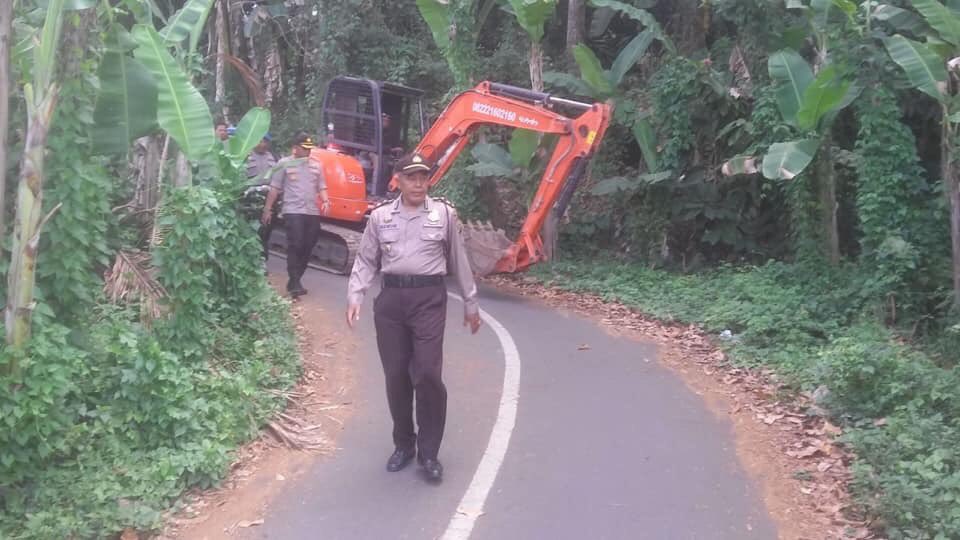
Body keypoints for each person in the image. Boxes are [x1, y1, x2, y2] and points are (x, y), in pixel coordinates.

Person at [346, 152, 482, 482]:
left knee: (428, 374)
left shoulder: (444, 214)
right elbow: (366, 259)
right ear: (398, 180)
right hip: (391, 302)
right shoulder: (379, 218)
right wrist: (356, 294)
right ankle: (404, 444)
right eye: (411, 176)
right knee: (396, 376)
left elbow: (458, 259)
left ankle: (429, 453)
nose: (419, 182)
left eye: (423, 176)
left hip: (428, 300)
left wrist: (470, 302)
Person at [261, 133, 330, 297]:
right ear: (295, 148)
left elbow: (322, 186)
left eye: (309, 149)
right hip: (292, 210)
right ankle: (294, 281)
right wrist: (268, 209)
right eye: (304, 149)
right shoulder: (284, 164)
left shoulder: (316, 165)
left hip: (311, 211)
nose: (308, 152)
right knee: (296, 243)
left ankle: (295, 279)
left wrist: (326, 201)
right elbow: (275, 188)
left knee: (308, 245)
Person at [248, 134, 277, 261]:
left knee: (265, 233)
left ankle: (262, 260)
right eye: (259, 141)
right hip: (250, 199)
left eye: (265, 141)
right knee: (252, 232)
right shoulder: (245, 156)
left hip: (269, 199)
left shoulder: (273, 157)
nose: (262, 144)